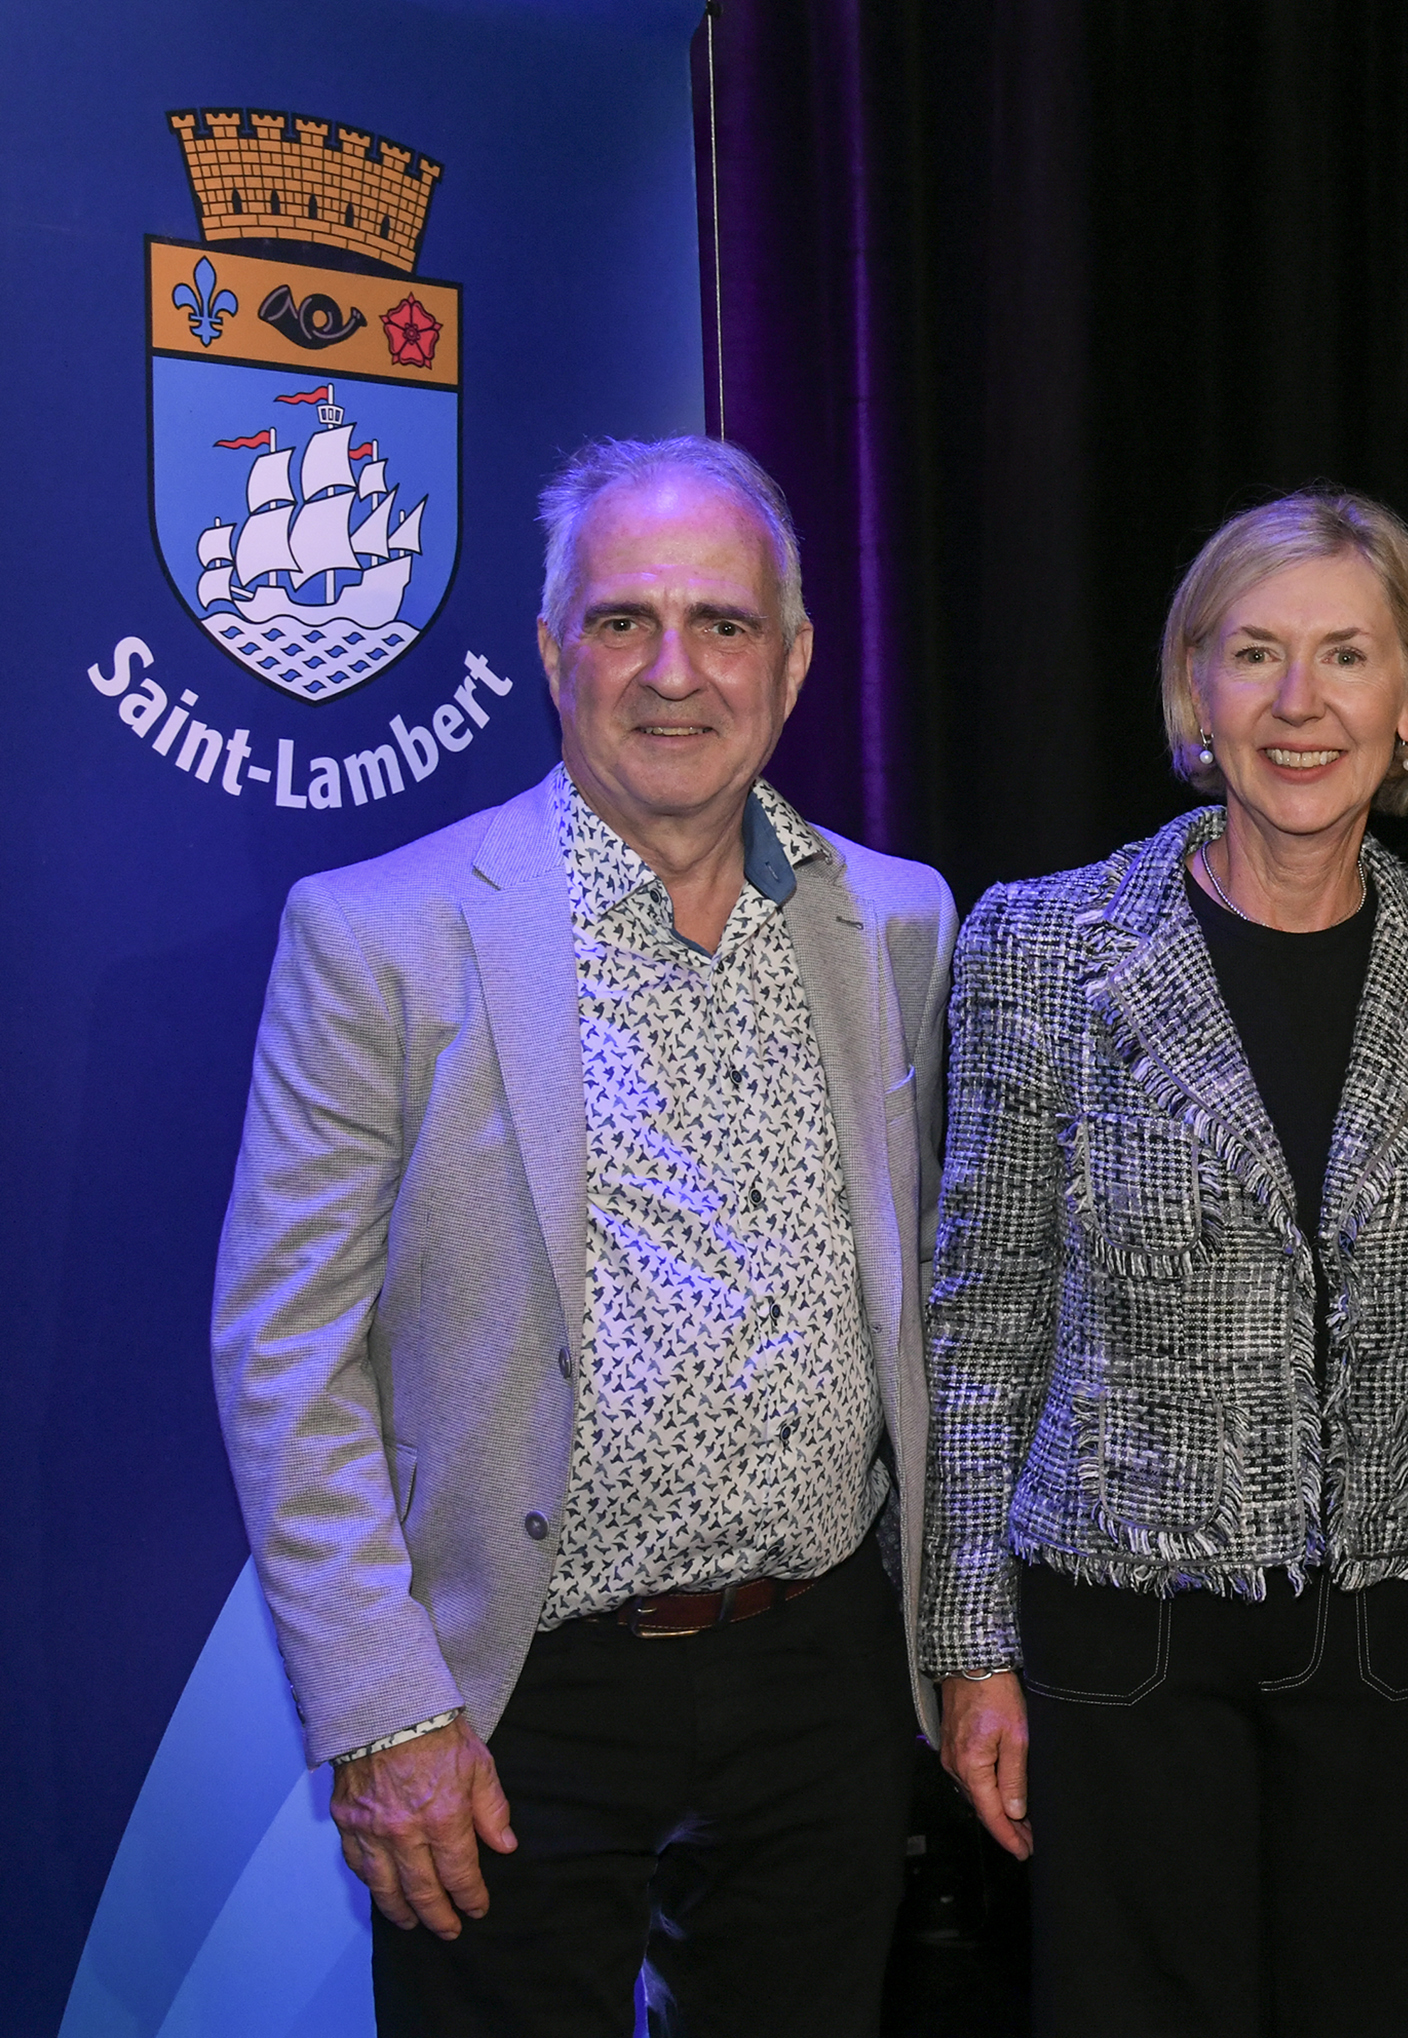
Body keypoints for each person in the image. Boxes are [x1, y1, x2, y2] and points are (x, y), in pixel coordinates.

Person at [209, 437, 957, 2035]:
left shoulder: (897, 920)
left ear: (798, 657)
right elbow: (284, 1355)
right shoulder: (382, 934)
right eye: (622, 623)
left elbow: (935, 1308)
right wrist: (380, 1711)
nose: (673, 672)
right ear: (553, 652)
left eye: (724, 624)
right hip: (515, 1692)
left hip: (819, 1668)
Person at [925, 489, 1408, 2037]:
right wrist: (964, 1649)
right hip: (1122, 1635)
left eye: (1346, 655)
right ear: (1194, 688)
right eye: (1254, 652)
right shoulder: (1043, 944)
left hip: (1406, 1628)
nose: (1299, 702)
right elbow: (982, 1313)